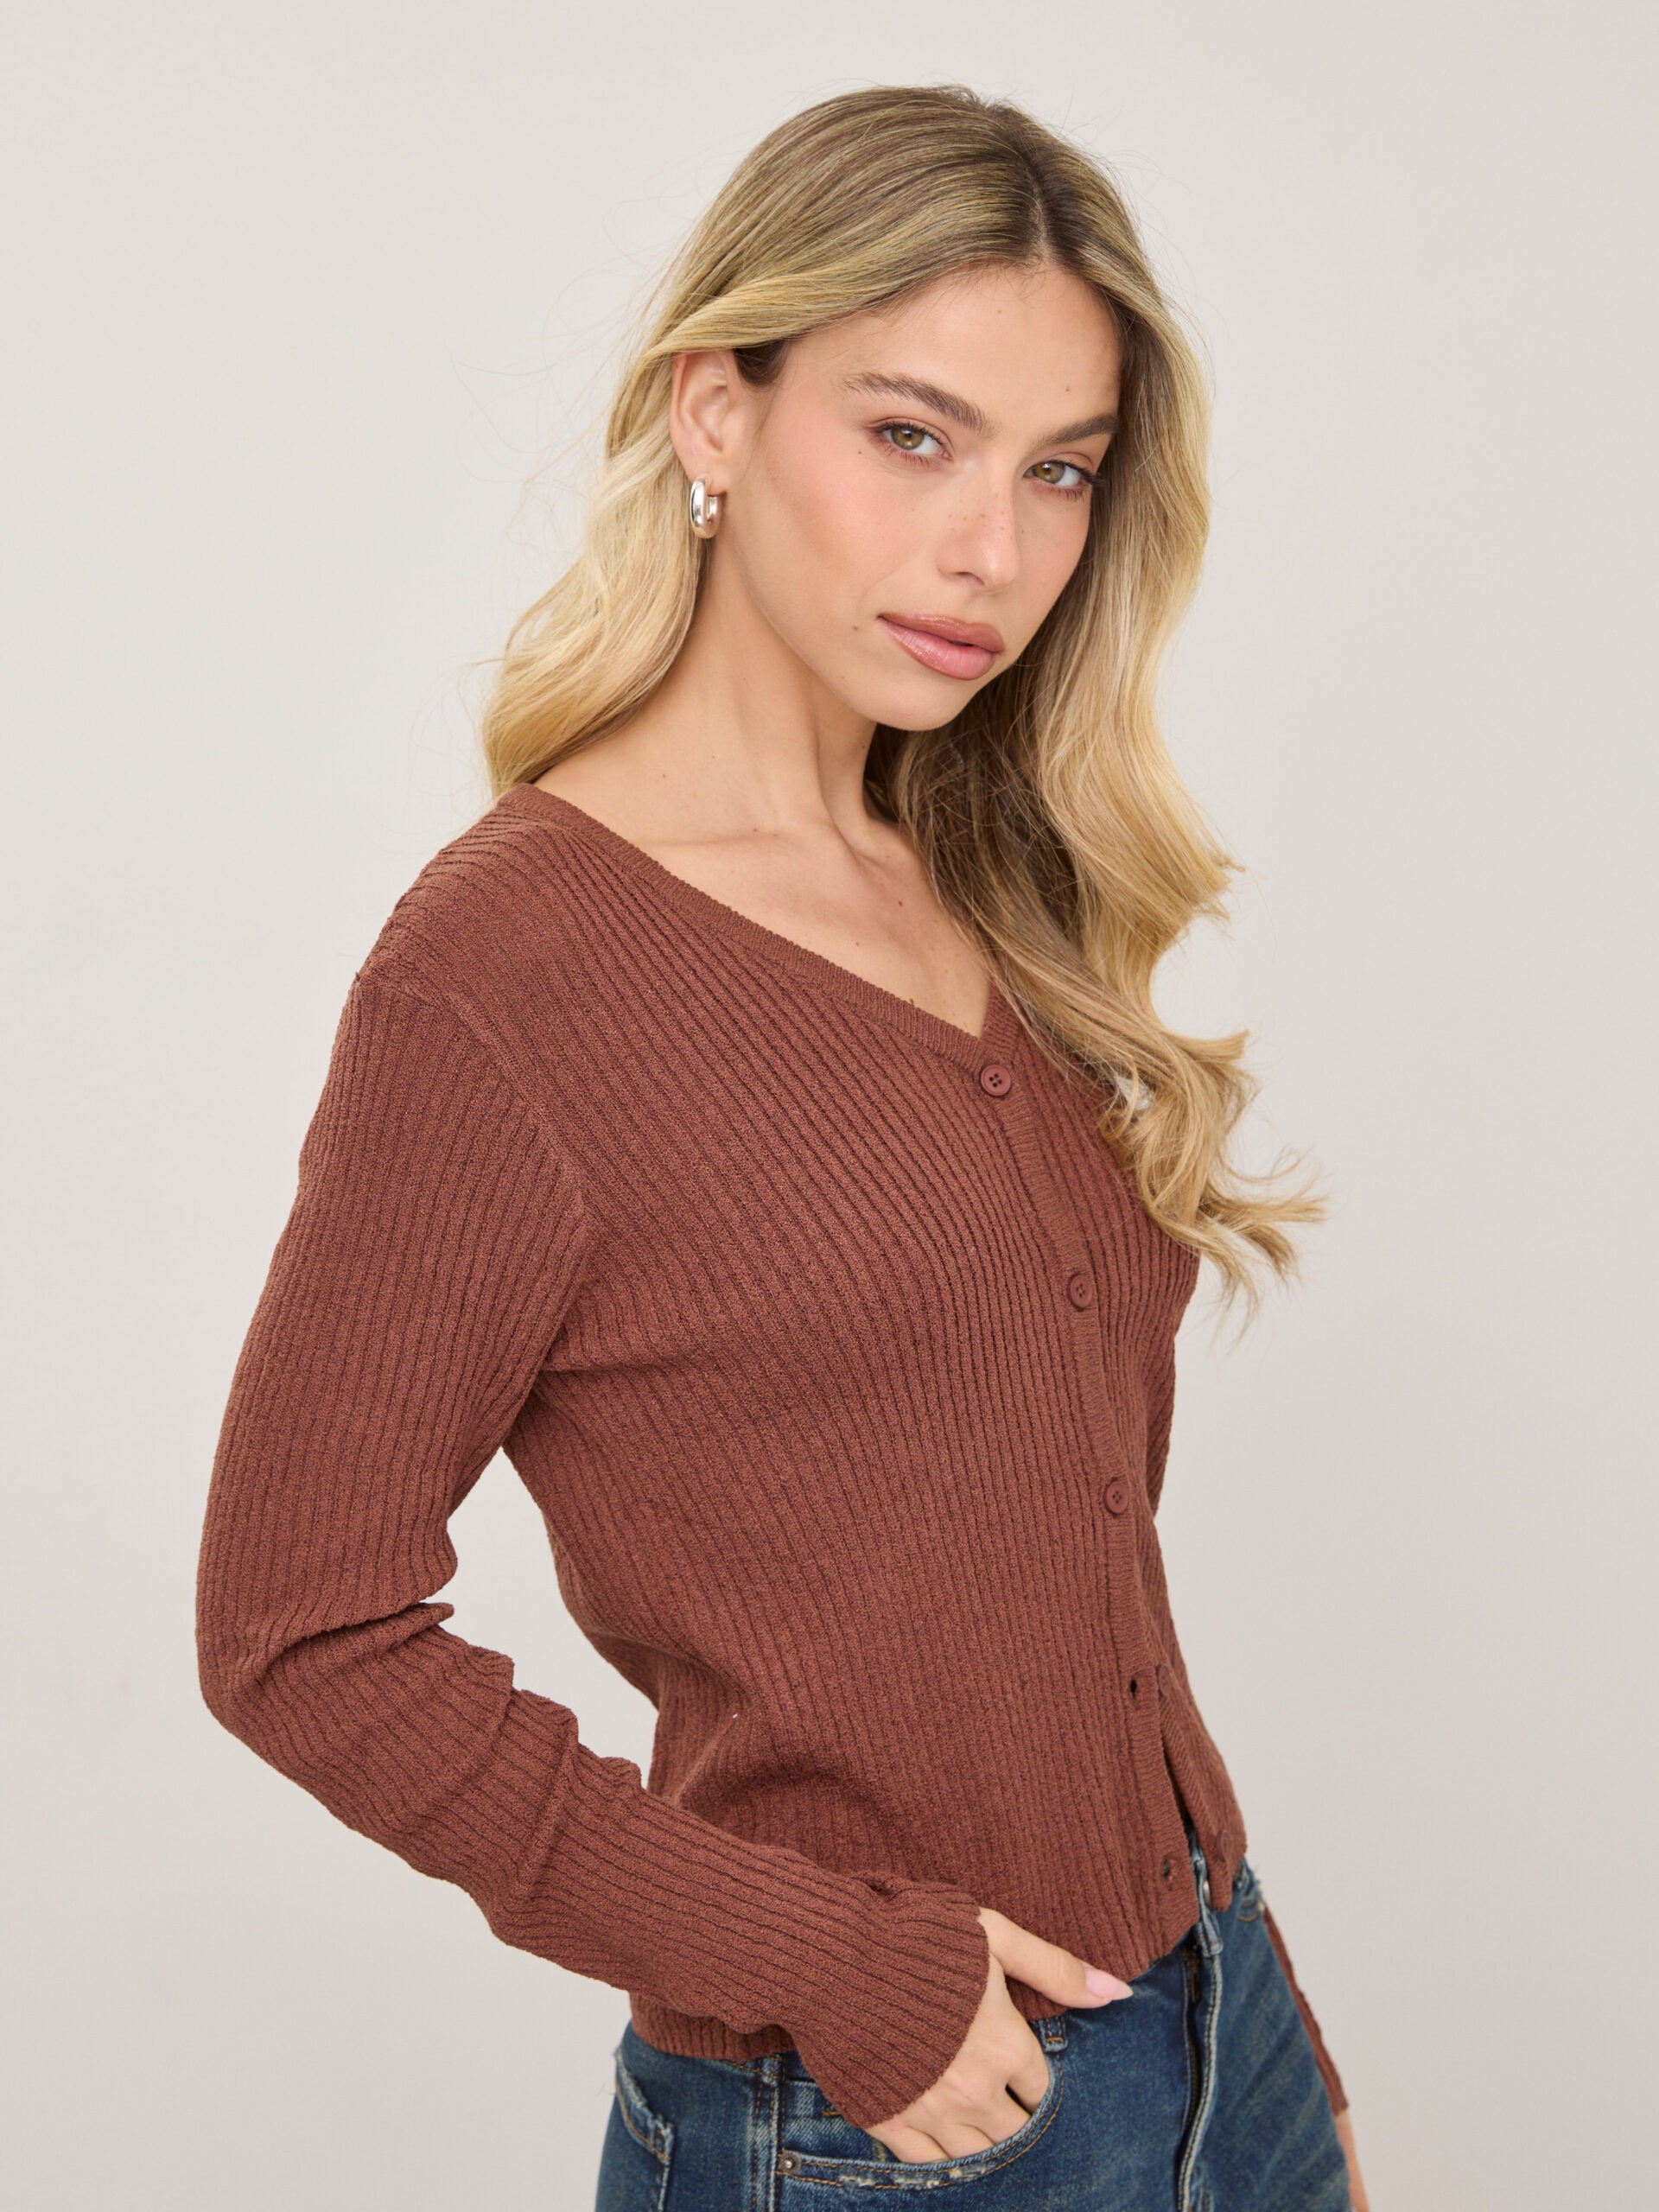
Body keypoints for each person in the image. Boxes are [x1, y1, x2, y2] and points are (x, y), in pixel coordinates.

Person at [195, 82, 1370, 2212]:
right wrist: (826, 1960)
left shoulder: (984, 869)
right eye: (912, 434)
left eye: (1060, 468)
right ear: (713, 414)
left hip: (1215, 2034)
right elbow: (297, 1624)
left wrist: (1258, 2032)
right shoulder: (508, 970)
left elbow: (1066, 1566)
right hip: (886, 2122)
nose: (992, 548)